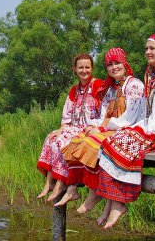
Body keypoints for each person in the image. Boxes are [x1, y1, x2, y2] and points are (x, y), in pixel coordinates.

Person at [95, 33, 155, 229]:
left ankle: (119, 203)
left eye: (152, 48)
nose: (147, 52)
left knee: (122, 145)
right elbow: (152, 112)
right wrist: (140, 127)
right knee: (110, 142)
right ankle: (114, 202)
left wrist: (146, 131)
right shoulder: (154, 73)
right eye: (146, 48)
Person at [54, 48, 146, 210]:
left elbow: (130, 118)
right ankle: (73, 188)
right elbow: (103, 115)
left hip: (130, 129)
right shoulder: (111, 89)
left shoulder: (134, 85)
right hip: (113, 128)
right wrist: (93, 126)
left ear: (125, 64)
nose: (113, 67)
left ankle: (93, 194)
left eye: (117, 63)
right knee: (78, 139)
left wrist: (101, 130)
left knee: (92, 144)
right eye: (109, 65)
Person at [36, 54, 104, 201]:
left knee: (62, 140)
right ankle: (49, 183)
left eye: (87, 67)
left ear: (92, 68)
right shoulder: (74, 89)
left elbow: (106, 109)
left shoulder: (98, 85)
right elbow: (67, 112)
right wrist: (62, 128)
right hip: (74, 126)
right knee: (51, 138)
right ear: (75, 69)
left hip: (90, 128)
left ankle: (62, 183)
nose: (84, 70)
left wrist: (97, 126)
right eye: (80, 67)